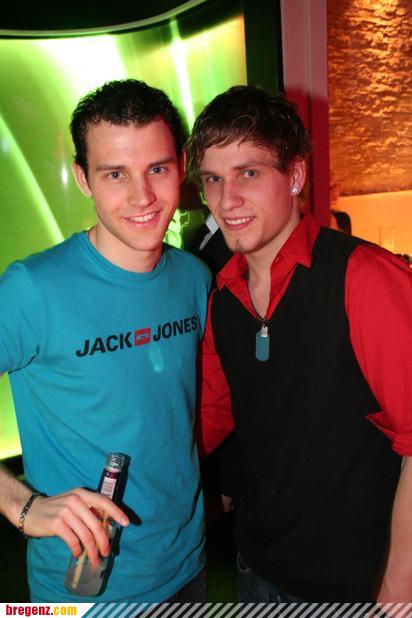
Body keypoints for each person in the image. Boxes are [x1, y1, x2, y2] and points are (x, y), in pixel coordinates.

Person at [187, 85, 412, 603]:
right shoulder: (223, 295)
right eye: (213, 179)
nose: (226, 200)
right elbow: (203, 422)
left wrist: (397, 594)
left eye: (248, 173)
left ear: (295, 176)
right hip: (256, 570)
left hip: (355, 586)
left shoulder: (364, 278)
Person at [0, 79, 211, 603]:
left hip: (189, 566)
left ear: (181, 166)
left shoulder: (193, 278)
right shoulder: (32, 289)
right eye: (115, 174)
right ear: (83, 179)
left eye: (157, 169)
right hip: (80, 593)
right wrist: (20, 504)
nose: (142, 197)